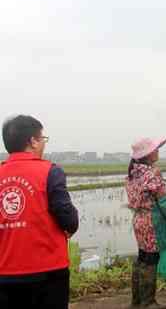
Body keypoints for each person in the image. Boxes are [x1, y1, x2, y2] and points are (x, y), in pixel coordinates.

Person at [0, 115, 79, 309]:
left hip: (5, 273)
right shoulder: (50, 171)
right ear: (33, 141)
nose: (44, 144)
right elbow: (67, 218)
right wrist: (71, 224)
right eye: (42, 139)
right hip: (48, 272)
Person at [126, 137, 166, 309]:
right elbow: (164, 201)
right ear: (148, 154)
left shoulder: (132, 174)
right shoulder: (152, 173)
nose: (158, 151)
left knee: (142, 259)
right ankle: (148, 302)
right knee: (151, 261)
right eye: (156, 149)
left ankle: (137, 302)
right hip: (152, 222)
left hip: (139, 220)